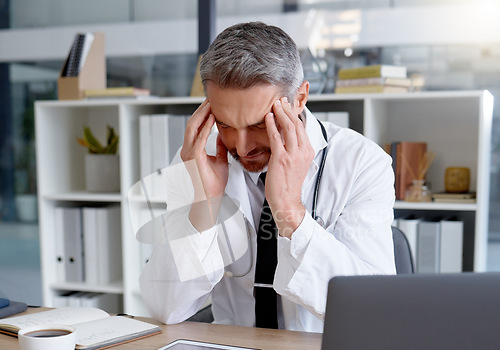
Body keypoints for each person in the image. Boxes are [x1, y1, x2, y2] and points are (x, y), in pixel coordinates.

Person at [139, 21, 396, 333]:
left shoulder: (361, 163)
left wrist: (290, 212)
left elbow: (374, 311)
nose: (242, 147)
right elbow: (165, 307)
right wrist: (202, 207)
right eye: (226, 124)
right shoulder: (200, 159)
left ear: (299, 99)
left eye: (260, 124)